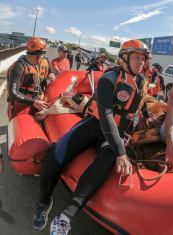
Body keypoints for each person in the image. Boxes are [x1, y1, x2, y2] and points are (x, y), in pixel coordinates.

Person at [32, 39, 151, 235]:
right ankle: (44, 201)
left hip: (116, 133)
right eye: (137, 57)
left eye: (143, 59)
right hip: (95, 124)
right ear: (124, 58)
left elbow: (139, 104)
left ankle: (66, 216)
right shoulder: (109, 78)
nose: (141, 62)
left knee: (104, 162)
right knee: (54, 158)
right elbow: (105, 115)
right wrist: (121, 152)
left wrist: (147, 116)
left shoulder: (142, 82)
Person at [6, 37, 55, 120]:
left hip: (31, 104)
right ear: (37, 54)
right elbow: (13, 93)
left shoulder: (34, 65)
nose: (43, 57)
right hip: (19, 107)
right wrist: (34, 102)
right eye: (42, 54)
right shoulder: (19, 67)